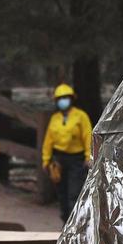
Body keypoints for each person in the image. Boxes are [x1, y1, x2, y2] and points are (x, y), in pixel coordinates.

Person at [41, 83, 93, 222]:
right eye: (60, 98)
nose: (63, 100)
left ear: (71, 98)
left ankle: (75, 226)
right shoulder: (55, 118)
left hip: (76, 160)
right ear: (56, 101)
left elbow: (88, 136)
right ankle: (65, 224)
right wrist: (46, 160)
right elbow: (48, 141)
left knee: (74, 194)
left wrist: (89, 156)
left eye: (66, 97)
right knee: (62, 195)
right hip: (58, 160)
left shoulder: (81, 116)